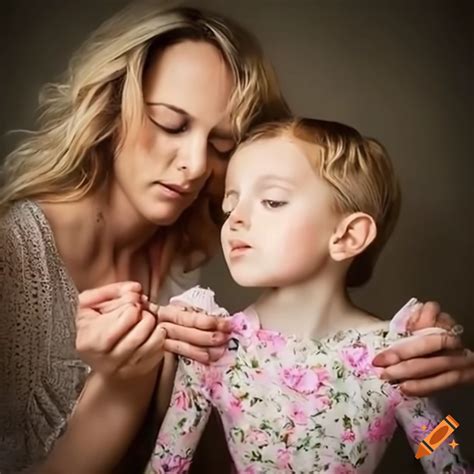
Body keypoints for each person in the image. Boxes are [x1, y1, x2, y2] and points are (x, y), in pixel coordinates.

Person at [0, 2, 471, 473]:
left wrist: (437, 387)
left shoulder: (186, 255)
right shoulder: (13, 257)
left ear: (349, 235)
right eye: (170, 123)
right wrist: (125, 385)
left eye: (222, 145)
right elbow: (172, 459)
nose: (198, 165)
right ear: (109, 106)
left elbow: (437, 441)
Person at [151, 118, 471, 473]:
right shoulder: (212, 344)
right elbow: (167, 462)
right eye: (230, 206)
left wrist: (444, 417)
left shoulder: (393, 353)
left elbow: (445, 449)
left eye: (271, 201)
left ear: (348, 236)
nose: (235, 220)